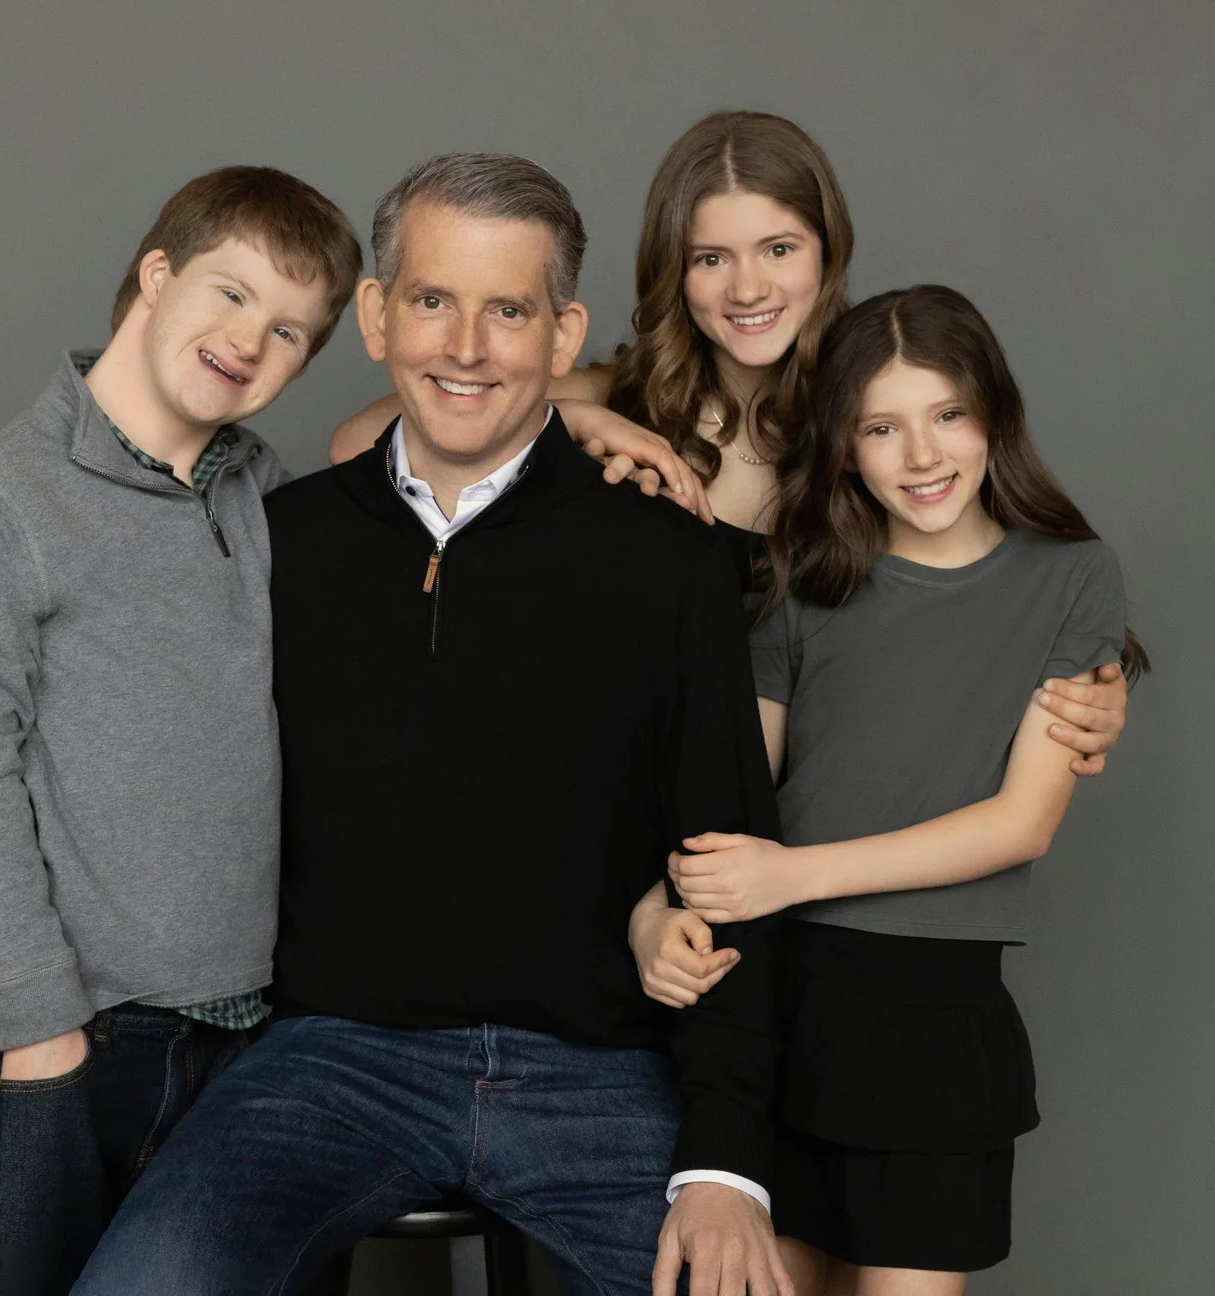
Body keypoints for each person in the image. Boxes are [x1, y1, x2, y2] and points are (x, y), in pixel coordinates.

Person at [74, 152, 793, 1296]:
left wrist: (723, 1167)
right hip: (332, 1062)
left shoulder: (671, 563)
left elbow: (730, 863)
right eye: (430, 301)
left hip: (604, 1070)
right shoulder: (280, 546)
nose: (465, 347)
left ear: (563, 338)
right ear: (373, 315)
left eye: (506, 310)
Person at [334, 110, 1130, 1012]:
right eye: (712, 258)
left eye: (780, 249)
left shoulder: (876, 423)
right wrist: (581, 418)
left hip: (795, 871)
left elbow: (996, 586)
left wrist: (1085, 692)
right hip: (612, 853)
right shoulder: (614, 393)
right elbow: (358, 444)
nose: (747, 286)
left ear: (828, 251)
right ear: (676, 271)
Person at [0, 165, 366, 1295]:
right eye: (231, 294)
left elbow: (424, 429)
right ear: (155, 277)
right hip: (70, 1037)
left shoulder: (256, 494)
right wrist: (37, 1025)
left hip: (253, 1038)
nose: (252, 341)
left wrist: (582, 409)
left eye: (292, 330)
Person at [651, 285, 1152, 1293]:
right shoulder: (798, 579)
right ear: (841, 445)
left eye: (946, 416)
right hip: (782, 999)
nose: (921, 457)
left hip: (935, 1024)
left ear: (993, 417)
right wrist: (656, 906)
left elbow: (1021, 823)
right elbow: (734, 790)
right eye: (881, 428)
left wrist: (788, 876)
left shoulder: (1071, 576)